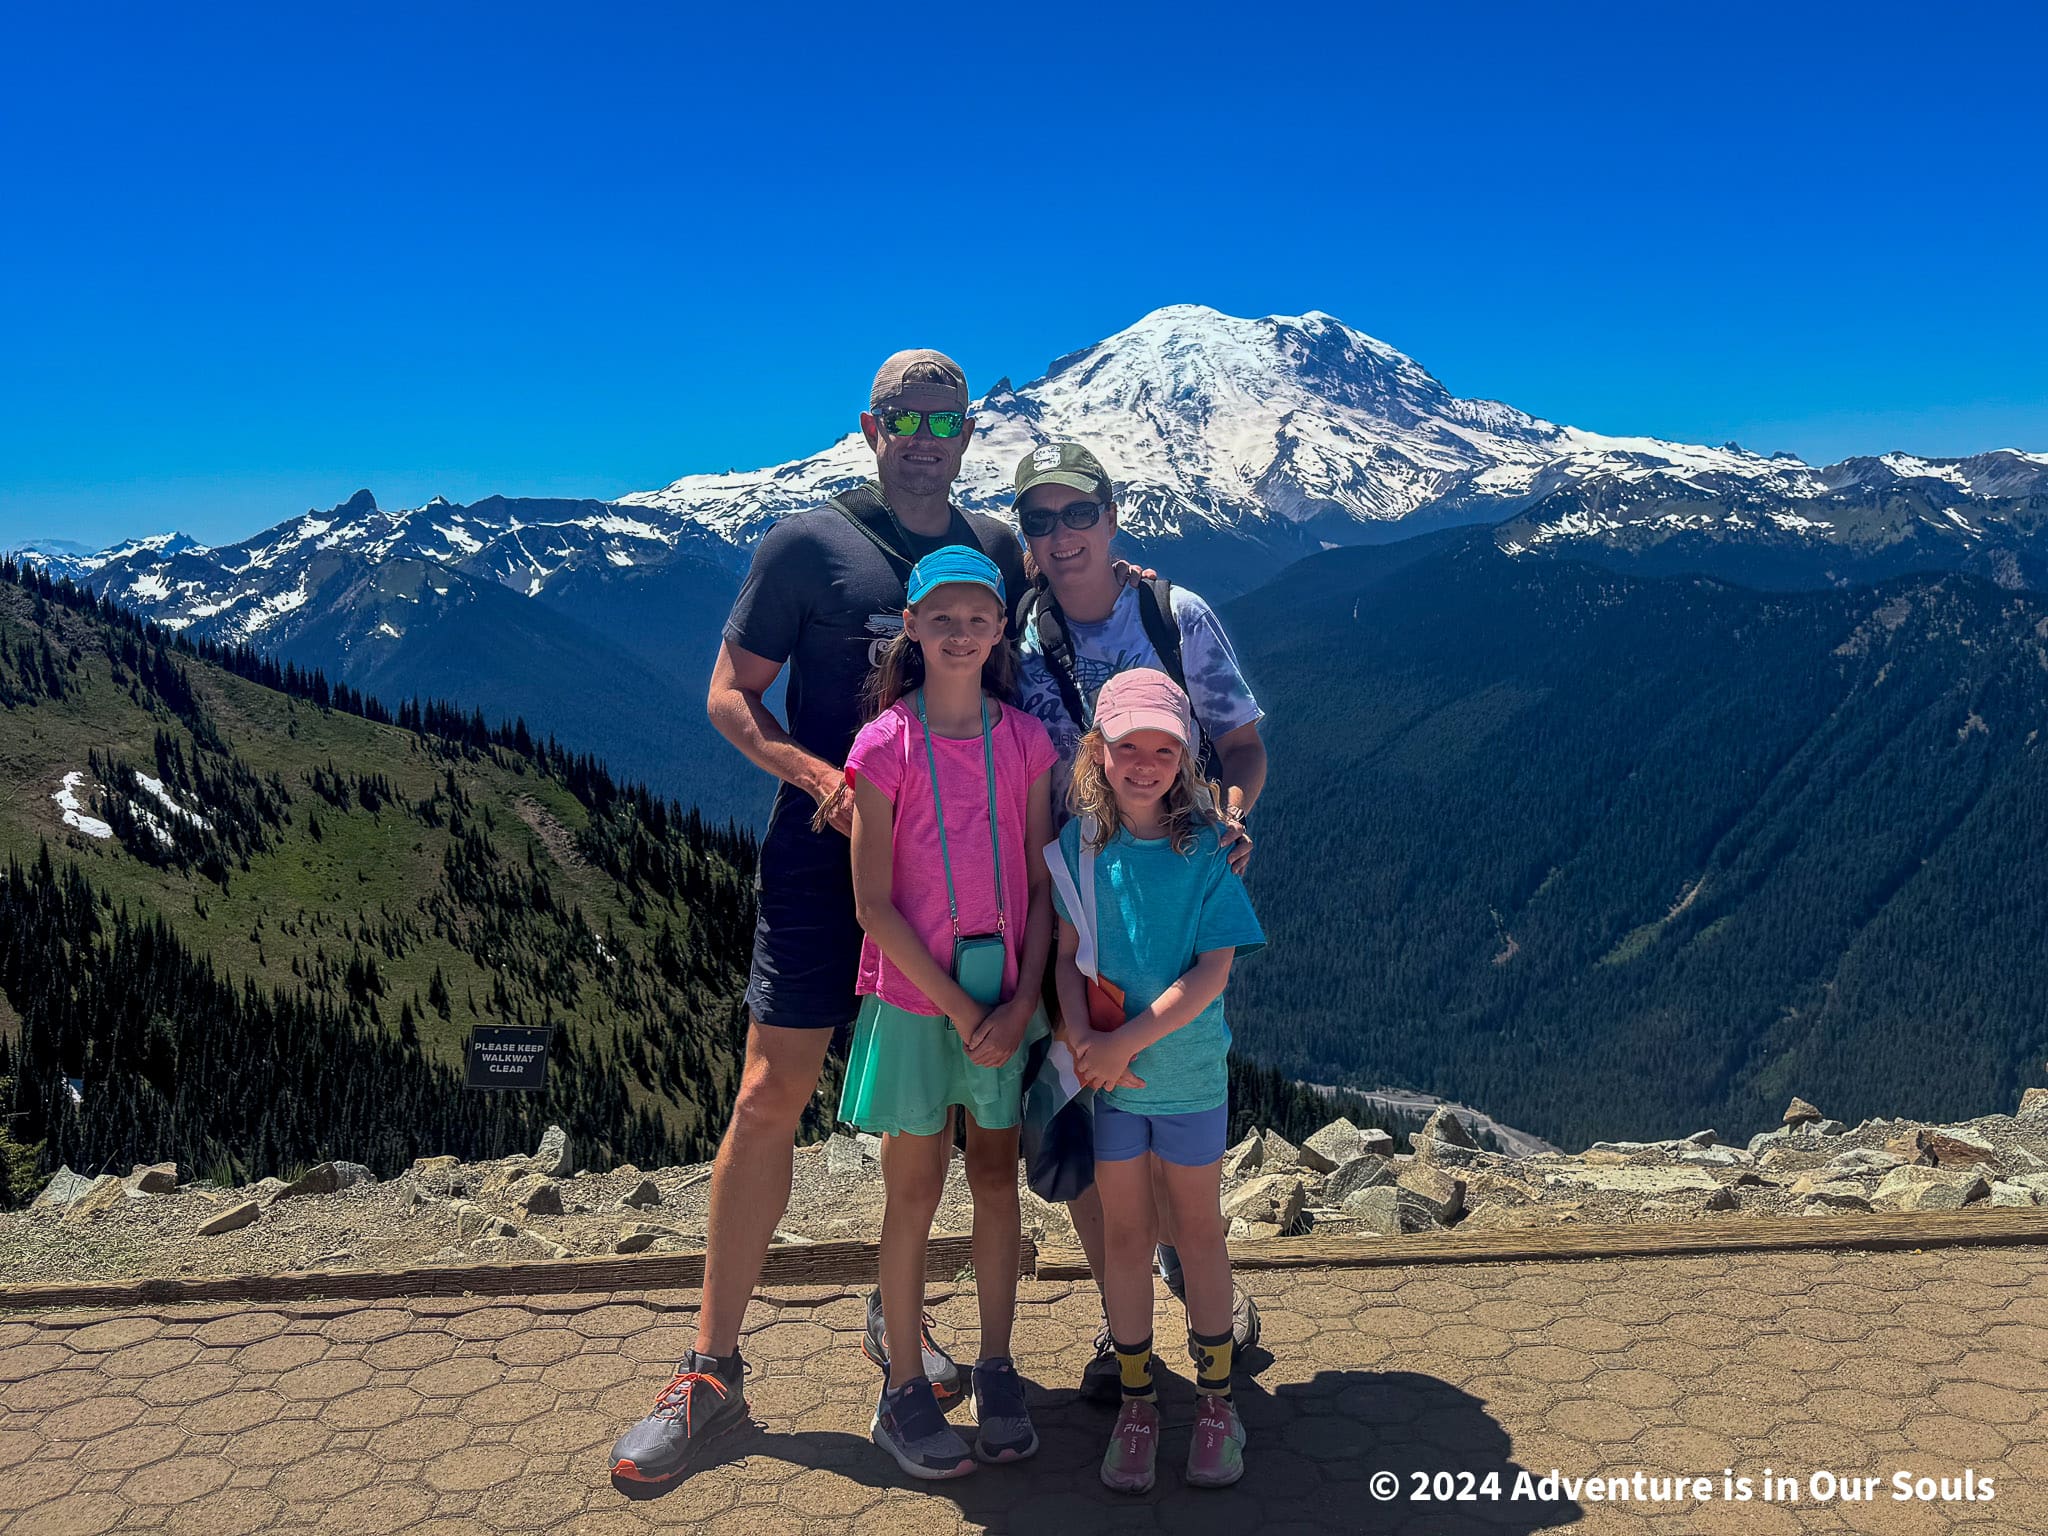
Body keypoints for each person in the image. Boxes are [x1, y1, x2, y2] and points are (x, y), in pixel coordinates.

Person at [610, 350, 1027, 1487]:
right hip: (818, 850)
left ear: (970, 430)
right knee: (768, 1092)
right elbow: (727, 692)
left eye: (948, 414)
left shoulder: (996, 554)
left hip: (949, 873)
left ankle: (899, 1330)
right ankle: (710, 1366)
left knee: (932, 1112)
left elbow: (1014, 698)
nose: (927, 433)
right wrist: (809, 774)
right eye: (906, 414)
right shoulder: (801, 546)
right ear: (868, 426)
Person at [1009, 441, 1269, 1399]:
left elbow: (1240, 745)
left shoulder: (1174, 615)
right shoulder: (1017, 633)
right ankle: (1134, 1324)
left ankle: (1190, 1287)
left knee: (1160, 1088)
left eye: (1078, 514)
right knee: (1095, 1115)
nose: (1060, 535)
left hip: (1172, 888)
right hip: (1073, 905)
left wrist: (1232, 816)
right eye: (1039, 521)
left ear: (1114, 516)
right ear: (1025, 540)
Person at [839, 545, 1055, 1478]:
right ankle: (903, 1388)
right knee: (915, 1193)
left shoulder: (1027, 744)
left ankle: (998, 1364)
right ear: (913, 629)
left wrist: (1014, 1003)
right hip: (925, 999)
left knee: (997, 1182)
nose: (961, 633)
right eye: (943, 618)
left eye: (978, 618)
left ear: (1000, 630)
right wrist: (974, 1011)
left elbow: (1048, 889)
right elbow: (872, 905)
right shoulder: (883, 745)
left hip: (1000, 1000)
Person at [1050, 668, 1265, 1492]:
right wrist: (1078, 1035)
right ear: (1097, 753)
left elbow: (1213, 972)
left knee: (1198, 1233)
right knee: (1128, 1240)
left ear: (1186, 757)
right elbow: (1070, 956)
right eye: (1127, 746)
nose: (1144, 764)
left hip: (1180, 1079)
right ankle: (1141, 1401)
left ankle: (1217, 1401)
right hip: (1114, 1080)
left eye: (1163, 748)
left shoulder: (1211, 849)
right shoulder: (1078, 847)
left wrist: (1117, 1043)